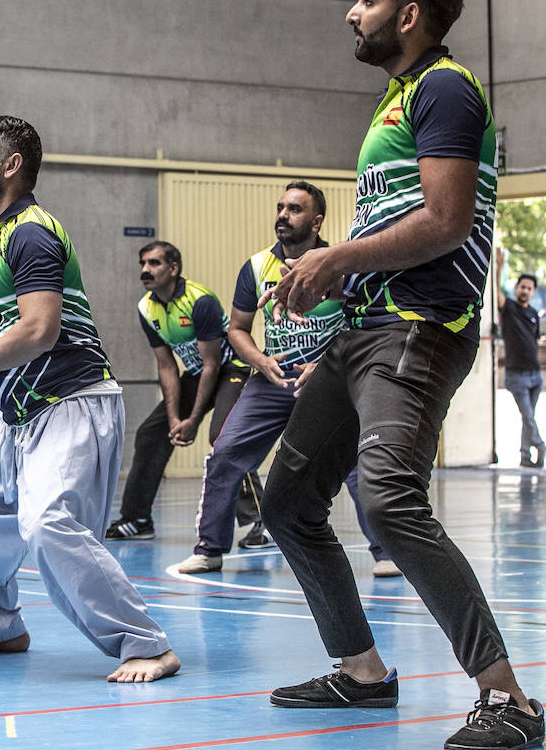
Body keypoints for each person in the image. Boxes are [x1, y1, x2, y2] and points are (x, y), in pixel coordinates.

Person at [258, 0, 544, 750]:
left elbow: (449, 223)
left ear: (408, 14)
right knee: (285, 504)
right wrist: (336, 286)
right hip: (362, 332)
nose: (352, 13)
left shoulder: (446, 88)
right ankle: (363, 674)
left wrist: (336, 257)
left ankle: (508, 698)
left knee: (386, 498)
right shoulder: (399, 99)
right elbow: (399, 219)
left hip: (418, 328)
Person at [0, 115, 179, 683]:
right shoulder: (1, 238)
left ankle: (147, 644)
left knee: (50, 523)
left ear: (10, 166)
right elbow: (20, 341)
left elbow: (41, 332)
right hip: (19, 414)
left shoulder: (30, 231)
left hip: (70, 403)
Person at [170, 183, 398, 577]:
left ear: (316, 220)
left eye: (294, 208)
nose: (283, 214)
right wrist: (259, 360)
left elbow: (361, 323)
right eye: (280, 207)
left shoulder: (338, 263)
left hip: (328, 379)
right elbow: (238, 329)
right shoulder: (257, 266)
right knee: (223, 455)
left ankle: (386, 552)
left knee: (354, 464)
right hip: (272, 380)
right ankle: (209, 549)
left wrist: (327, 362)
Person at [105, 241, 260, 545]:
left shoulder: (199, 301)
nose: (145, 270)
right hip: (198, 373)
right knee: (152, 432)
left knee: (223, 437)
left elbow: (212, 364)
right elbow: (166, 366)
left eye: (154, 263)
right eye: (143, 263)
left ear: (173, 269)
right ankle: (137, 519)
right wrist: (176, 418)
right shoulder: (146, 308)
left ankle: (259, 521)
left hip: (232, 370)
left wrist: (193, 419)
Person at [495, 248, 546, 468]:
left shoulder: (534, 314)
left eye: (529, 288)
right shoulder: (509, 309)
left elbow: (534, 340)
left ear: (533, 291)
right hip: (516, 375)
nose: (524, 290)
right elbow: (496, 291)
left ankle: (525, 455)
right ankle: (541, 445)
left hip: (535, 374)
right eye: (522, 286)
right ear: (516, 288)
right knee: (528, 416)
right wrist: (499, 266)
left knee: (529, 418)